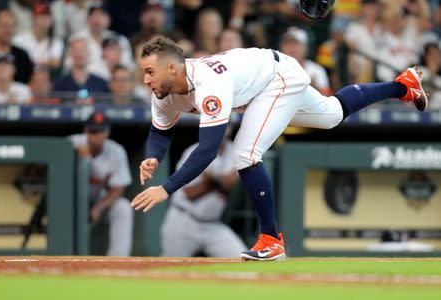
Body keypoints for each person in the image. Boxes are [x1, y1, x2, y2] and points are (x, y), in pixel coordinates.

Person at [131, 37, 428, 261]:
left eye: (150, 72)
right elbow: (160, 130)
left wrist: (166, 188)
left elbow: (208, 150)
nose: (146, 80)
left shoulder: (209, 84)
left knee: (245, 154)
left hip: (277, 78)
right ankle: (403, 86)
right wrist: (153, 157)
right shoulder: (164, 93)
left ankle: (271, 239)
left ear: (172, 67)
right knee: (332, 114)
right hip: (262, 83)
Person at [160, 125, 247, 257]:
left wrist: (211, 179)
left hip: (212, 225)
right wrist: (219, 183)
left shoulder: (235, 151)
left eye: (228, 125)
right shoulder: (194, 151)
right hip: (183, 221)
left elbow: (229, 185)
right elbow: (190, 193)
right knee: (171, 270)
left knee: (241, 259)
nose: (224, 129)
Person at [70, 111, 134, 256]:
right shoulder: (72, 143)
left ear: (107, 133)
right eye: (93, 131)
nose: (97, 136)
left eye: (100, 131)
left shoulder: (116, 151)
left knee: (123, 207)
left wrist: (99, 207)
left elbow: (118, 188)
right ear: (86, 131)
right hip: (74, 200)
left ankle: (119, 260)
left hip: (99, 199)